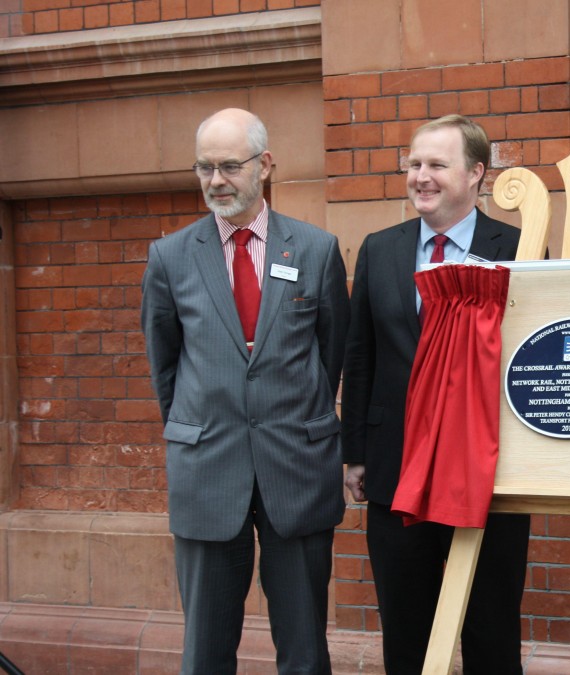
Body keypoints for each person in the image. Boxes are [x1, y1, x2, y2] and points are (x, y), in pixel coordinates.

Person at [141, 108, 350, 674]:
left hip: (296, 468)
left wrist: (297, 414)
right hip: (208, 468)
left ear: (265, 165)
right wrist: (201, 423)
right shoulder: (170, 258)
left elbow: (331, 356)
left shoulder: (314, 250)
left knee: (305, 649)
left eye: (230, 166)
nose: (216, 181)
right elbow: (165, 367)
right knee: (205, 651)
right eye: (204, 168)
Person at [340, 114, 531, 674]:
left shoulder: (518, 248)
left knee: (492, 630)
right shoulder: (380, 250)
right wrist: (355, 453)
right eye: (414, 164)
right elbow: (361, 354)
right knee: (406, 631)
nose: (421, 176)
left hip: (489, 473)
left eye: (436, 165)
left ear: (476, 173)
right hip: (397, 467)